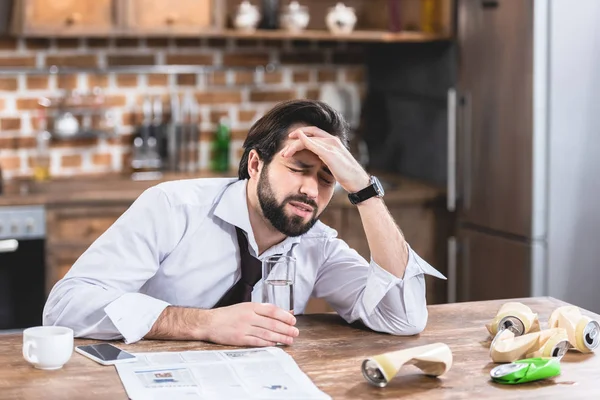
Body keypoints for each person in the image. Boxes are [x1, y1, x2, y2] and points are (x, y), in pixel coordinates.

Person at [43, 99, 445, 347]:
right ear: (255, 164)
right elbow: (64, 308)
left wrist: (363, 189)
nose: (311, 190)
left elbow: (403, 318)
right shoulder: (173, 206)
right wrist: (203, 323)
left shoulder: (317, 244)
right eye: (299, 168)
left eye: (327, 180)